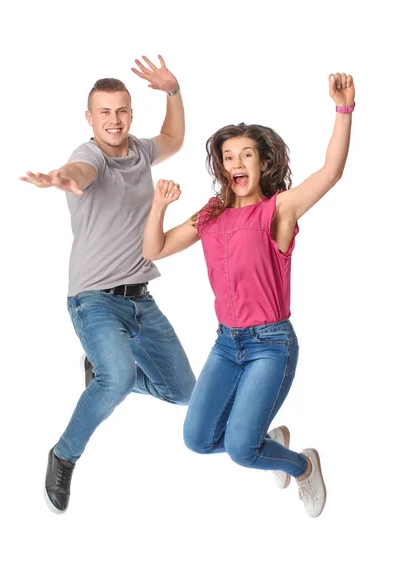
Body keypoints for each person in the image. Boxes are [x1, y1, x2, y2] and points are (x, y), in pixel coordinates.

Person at [142, 72, 355, 518]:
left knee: (241, 449)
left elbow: (331, 172)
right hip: (226, 344)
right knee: (197, 439)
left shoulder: (278, 210)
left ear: (261, 164)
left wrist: (343, 109)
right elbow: (155, 248)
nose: (236, 162)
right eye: (228, 156)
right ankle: (270, 443)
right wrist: (159, 207)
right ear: (221, 167)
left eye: (246, 155)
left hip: (270, 345)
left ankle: (302, 466)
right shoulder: (211, 215)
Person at [20, 55, 196, 514]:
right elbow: (79, 172)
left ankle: (100, 372)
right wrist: (63, 177)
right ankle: (64, 454)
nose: (114, 120)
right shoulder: (89, 156)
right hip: (94, 300)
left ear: (131, 114)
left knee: (183, 392)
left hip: (142, 299)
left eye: (121, 111)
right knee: (117, 381)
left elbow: (174, 138)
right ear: (89, 118)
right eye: (104, 112)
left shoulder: (139, 151)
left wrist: (173, 91)